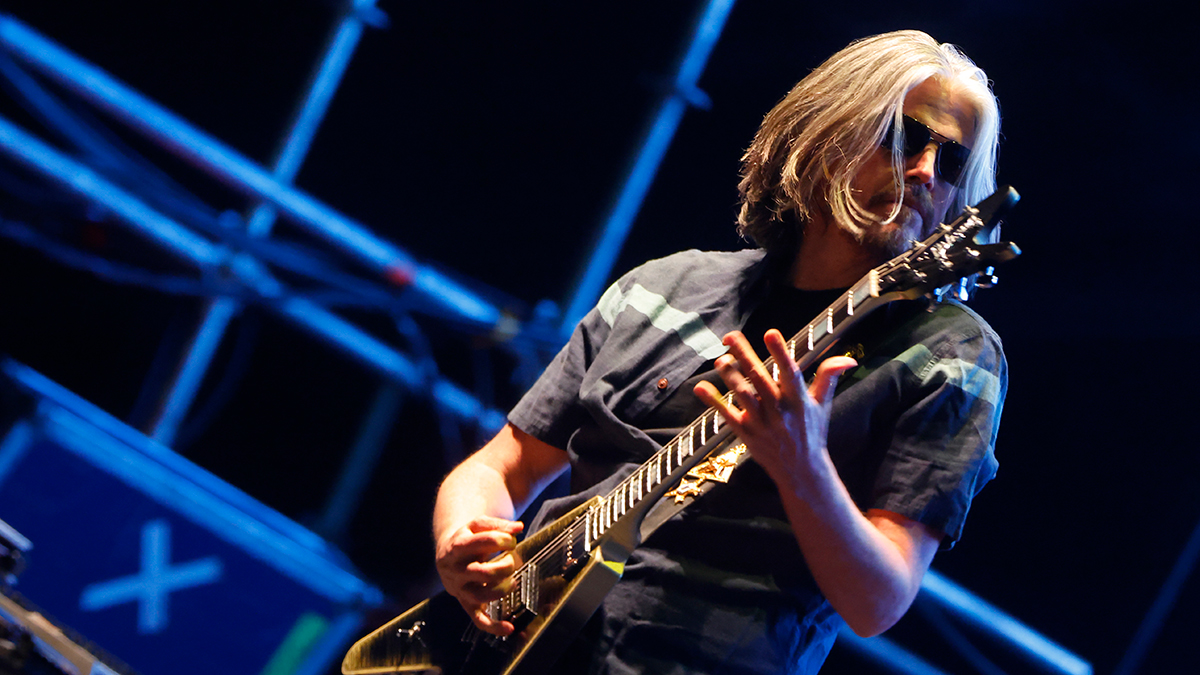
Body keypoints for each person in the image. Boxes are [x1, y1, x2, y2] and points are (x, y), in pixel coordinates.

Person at [432, 29, 1006, 674]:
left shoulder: (951, 355)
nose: (925, 171)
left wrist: (801, 467)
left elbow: (879, 603)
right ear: (824, 135)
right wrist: (466, 540)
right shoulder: (664, 286)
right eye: (904, 139)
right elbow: (500, 468)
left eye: (951, 162)